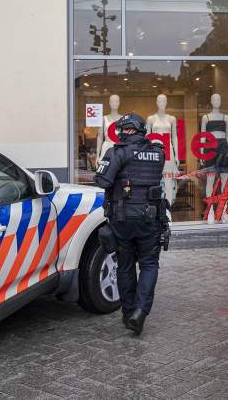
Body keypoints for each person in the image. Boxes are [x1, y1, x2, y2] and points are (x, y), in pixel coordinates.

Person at [95, 113, 166, 335]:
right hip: (150, 219)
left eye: (121, 129)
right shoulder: (158, 152)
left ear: (127, 129)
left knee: (125, 265)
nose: (119, 133)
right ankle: (140, 312)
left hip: (123, 219)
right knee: (149, 264)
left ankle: (128, 314)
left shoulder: (117, 152)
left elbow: (102, 180)